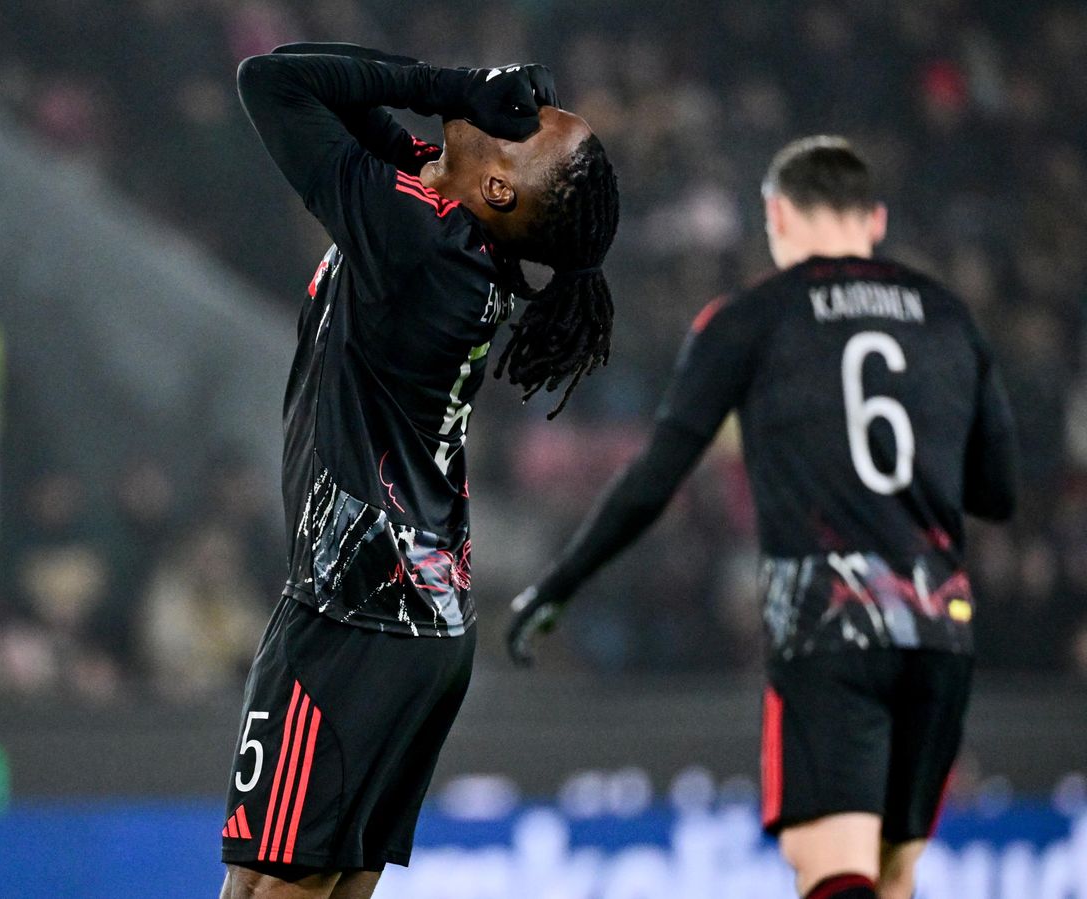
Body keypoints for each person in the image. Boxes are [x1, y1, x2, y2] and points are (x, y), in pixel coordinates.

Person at [507, 136, 1016, 899]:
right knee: (894, 875)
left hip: (830, 625)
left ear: (777, 216)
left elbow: (656, 478)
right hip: (939, 630)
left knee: (832, 868)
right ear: (874, 220)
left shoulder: (750, 318)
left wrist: (560, 582)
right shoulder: (949, 318)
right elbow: (997, 491)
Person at [219, 43, 619, 899]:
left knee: (262, 891)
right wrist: (459, 98)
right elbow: (345, 101)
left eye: (527, 126)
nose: (513, 108)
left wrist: (451, 86)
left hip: (355, 614)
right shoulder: (453, 221)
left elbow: (273, 80)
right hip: (414, 618)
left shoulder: (419, 240)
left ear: (500, 189)